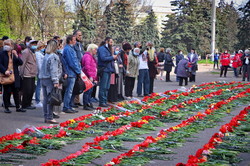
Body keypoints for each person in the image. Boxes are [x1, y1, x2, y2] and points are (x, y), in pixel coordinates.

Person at [0, 39, 26, 113]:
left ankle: (18, 106)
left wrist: (16, 55)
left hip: (14, 75)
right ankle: (6, 107)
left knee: (16, 91)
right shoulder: (2, 53)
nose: (7, 47)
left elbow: (20, 63)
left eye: (9, 45)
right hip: (6, 75)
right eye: (6, 45)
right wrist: (4, 71)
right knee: (7, 91)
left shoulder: (13, 53)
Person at [40, 40, 62, 124]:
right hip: (50, 79)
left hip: (43, 78)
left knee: (46, 99)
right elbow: (54, 70)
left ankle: (46, 116)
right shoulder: (53, 56)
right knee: (51, 99)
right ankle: (49, 117)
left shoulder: (46, 55)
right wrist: (55, 80)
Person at [62, 35, 81, 113]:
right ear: (70, 41)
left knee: (71, 90)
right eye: (74, 40)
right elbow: (72, 62)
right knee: (69, 91)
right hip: (71, 72)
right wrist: (78, 71)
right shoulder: (68, 49)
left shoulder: (70, 49)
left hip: (72, 72)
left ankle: (69, 105)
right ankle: (66, 106)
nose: (75, 41)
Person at [98, 37, 117, 107]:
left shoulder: (109, 49)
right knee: (103, 86)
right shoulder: (102, 49)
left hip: (109, 69)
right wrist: (112, 57)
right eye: (111, 42)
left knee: (107, 87)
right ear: (107, 42)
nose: (112, 44)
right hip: (104, 69)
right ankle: (102, 101)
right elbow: (103, 58)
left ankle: (105, 100)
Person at [19, 39, 38, 109]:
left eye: (35, 44)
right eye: (33, 44)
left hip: (32, 73)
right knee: (27, 90)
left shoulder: (33, 52)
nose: (34, 45)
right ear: (29, 44)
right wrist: (21, 73)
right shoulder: (26, 52)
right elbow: (22, 63)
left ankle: (28, 103)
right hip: (27, 73)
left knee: (32, 90)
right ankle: (24, 104)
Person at [81, 44, 98, 110]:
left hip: (91, 76)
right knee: (87, 91)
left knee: (90, 91)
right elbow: (88, 67)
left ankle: (89, 103)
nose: (96, 51)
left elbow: (94, 68)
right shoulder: (87, 56)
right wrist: (91, 76)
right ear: (91, 49)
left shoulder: (92, 56)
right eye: (95, 49)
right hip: (88, 76)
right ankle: (86, 104)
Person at [73, 30, 85, 107]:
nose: (80, 37)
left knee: (79, 84)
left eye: (81, 35)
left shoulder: (80, 45)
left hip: (81, 65)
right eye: (79, 35)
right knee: (75, 84)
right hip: (76, 65)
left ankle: (77, 100)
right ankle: (73, 101)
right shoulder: (74, 45)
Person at [35, 41, 46, 108]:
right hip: (40, 72)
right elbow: (39, 64)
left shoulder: (41, 53)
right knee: (38, 87)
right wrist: (41, 73)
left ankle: (38, 100)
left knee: (39, 87)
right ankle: (37, 100)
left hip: (42, 72)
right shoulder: (38, 54)